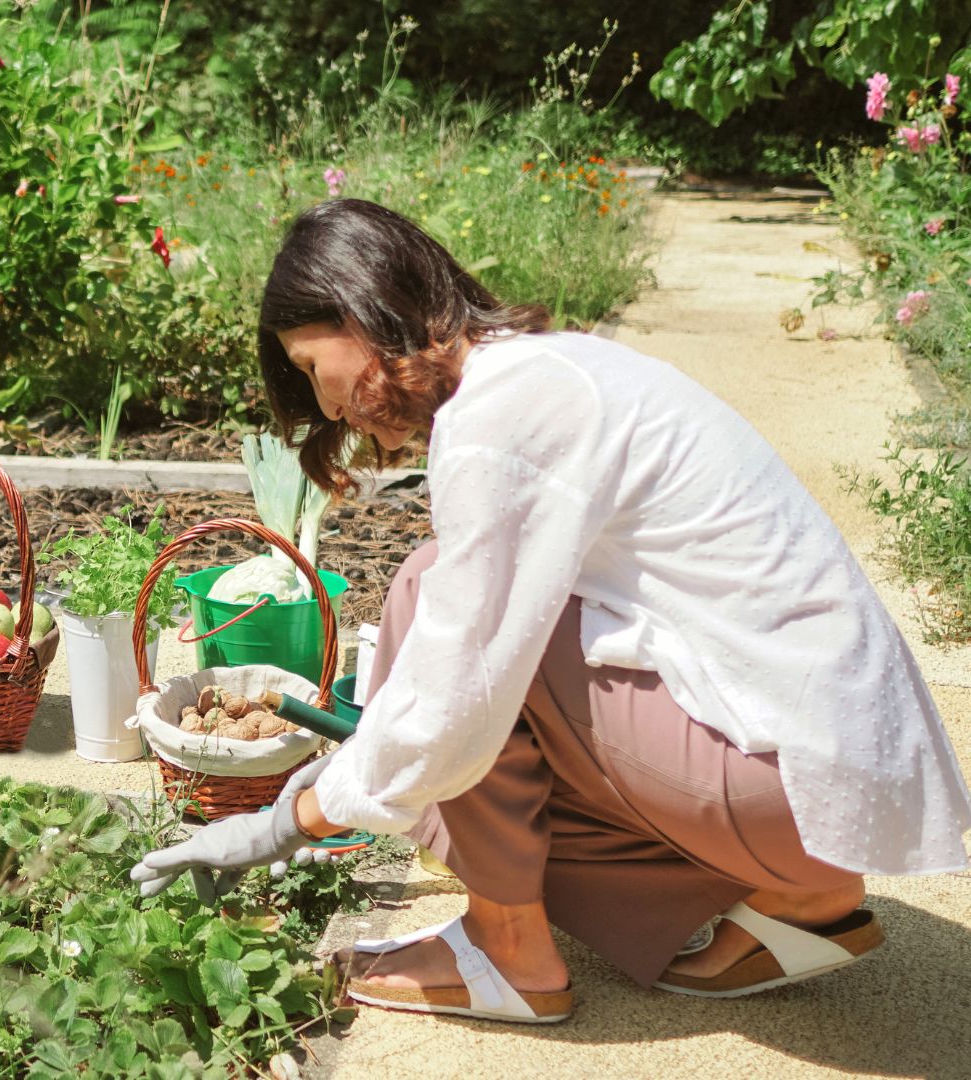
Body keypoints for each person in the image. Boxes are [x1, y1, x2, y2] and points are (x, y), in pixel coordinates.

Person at [131, 198, 971, 1023]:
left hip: (793, 787)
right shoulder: (545, 368)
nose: (325, 406)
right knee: (452, 612)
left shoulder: (503, 414)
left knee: (439, 610)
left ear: (363, 307)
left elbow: (461, 686)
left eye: (316, 367)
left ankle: (508, 953)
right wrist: (365, 765)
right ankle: (804, 897)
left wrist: (284, 822)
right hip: (827, 772)